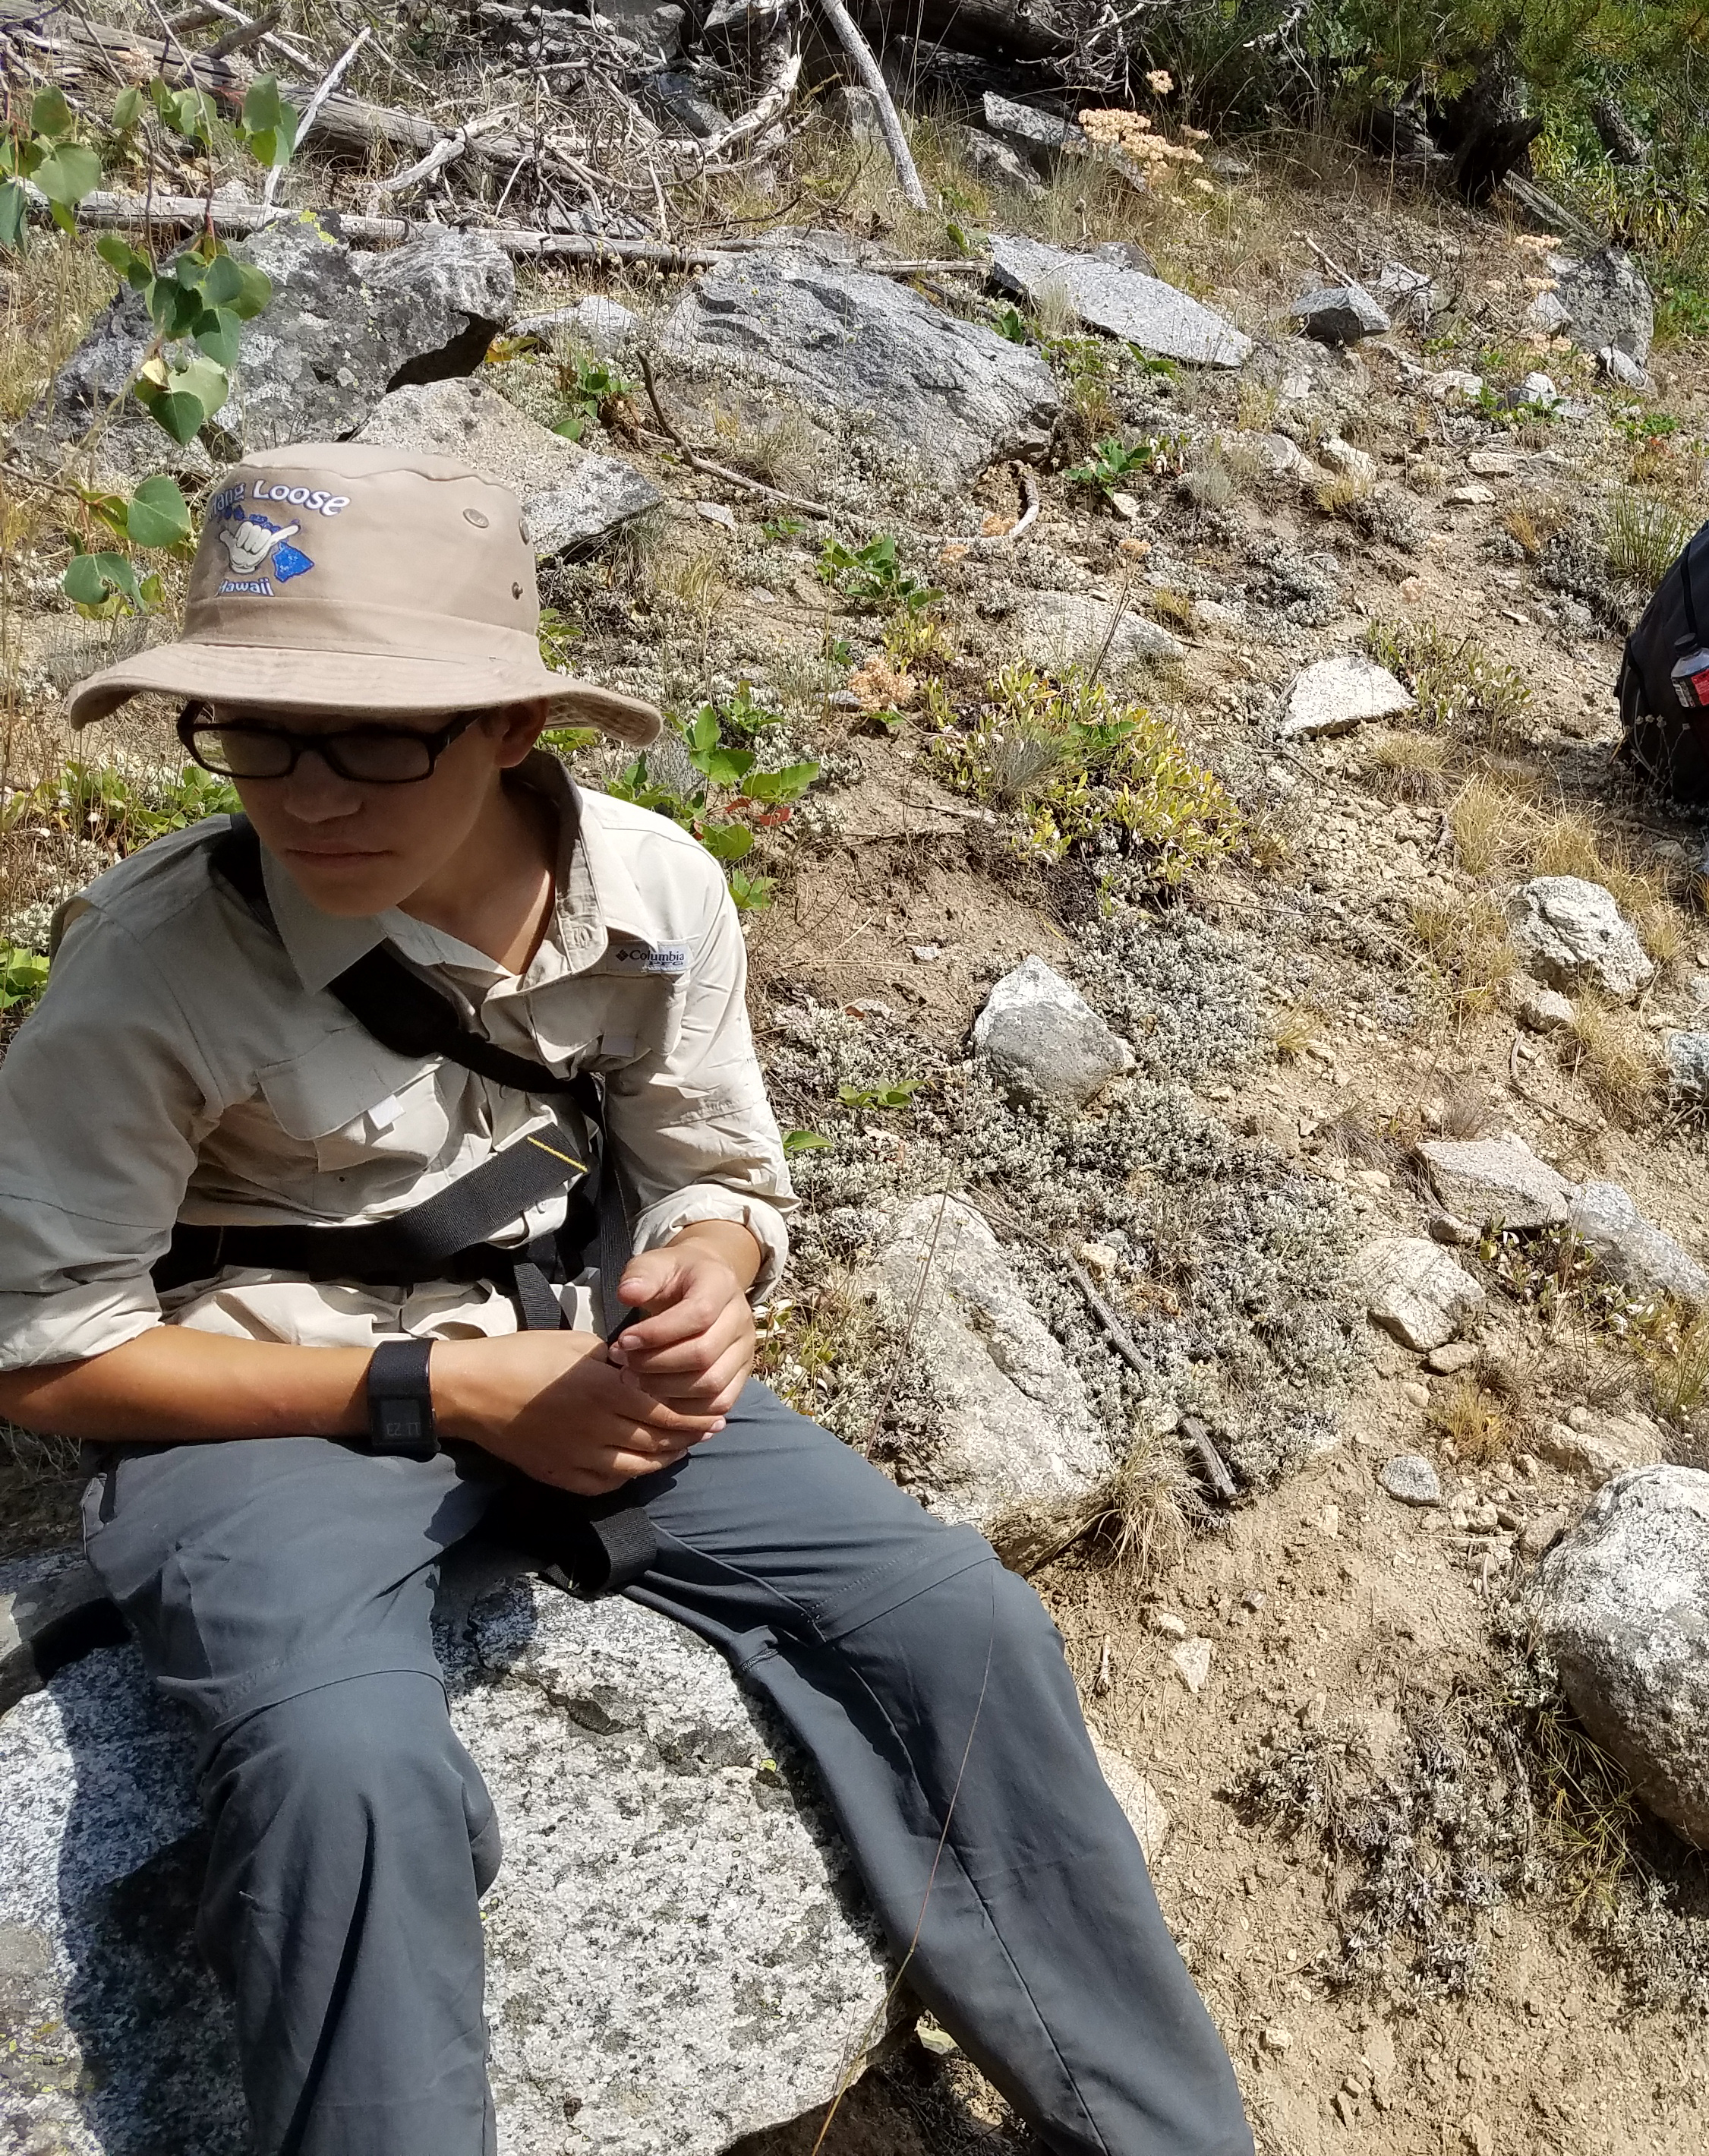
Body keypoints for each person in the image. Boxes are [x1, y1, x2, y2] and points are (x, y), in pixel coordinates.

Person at [0, 446, 1254, 2156]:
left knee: (961, 1623)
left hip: (583, 1349)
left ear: (513, 729)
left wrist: (712, 1278)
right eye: (250, 729)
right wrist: (438, 1394)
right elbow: (49, 1354)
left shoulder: (655, 889)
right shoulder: (149, 964)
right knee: (343, 1778)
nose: (304, 793)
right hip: (270, 1404)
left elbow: (720, 1172)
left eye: (373, 734)